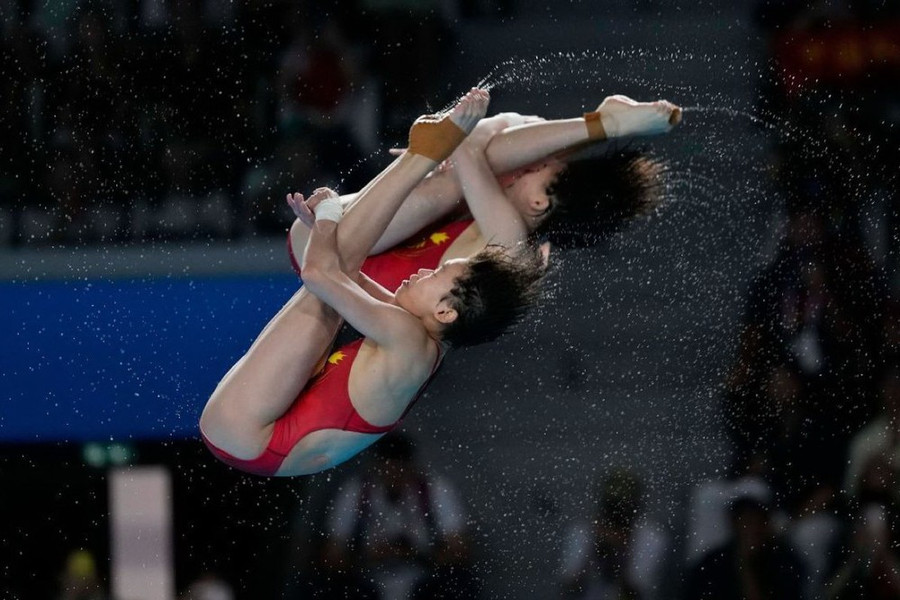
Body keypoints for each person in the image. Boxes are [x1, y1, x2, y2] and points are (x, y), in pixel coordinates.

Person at [199, 89, 545, 477]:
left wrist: (331, 212)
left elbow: (319, 275)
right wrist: (323, 232)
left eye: (437, 273)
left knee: (334, 274)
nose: (423, 271)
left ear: (445, 311)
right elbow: (345, 275)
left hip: (251, 432)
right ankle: (421, 156)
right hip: (255, 440)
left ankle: (421, 157)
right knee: (341, 265)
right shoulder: (424, 344)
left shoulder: (408, 337)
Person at [287, 95, 682, 291]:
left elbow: (471, 139)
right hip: (329, 231)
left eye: (542, 170)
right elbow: (501, 128)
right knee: (470, 164)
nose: (535, 163)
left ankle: (601, 125)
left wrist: (439, 152)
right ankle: (600, 124)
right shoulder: (510, 203)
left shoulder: (512, 248)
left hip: (329, 250)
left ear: (540, 203)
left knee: (456, 175)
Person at [317, 433, 480, 600]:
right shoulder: (356, 491)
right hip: (368, 578)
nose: (393, 476)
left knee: (458, 581)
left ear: (411, 467)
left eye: (398, 469)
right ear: (376, 467)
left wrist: (414, 554)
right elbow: (331, 556)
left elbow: (461, 550)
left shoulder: (434, 490)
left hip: (423, 577)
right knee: (328, 584)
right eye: (387, 469)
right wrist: (367, 557)